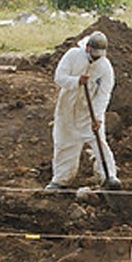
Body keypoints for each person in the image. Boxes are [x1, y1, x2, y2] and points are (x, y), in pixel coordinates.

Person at [47, 31, 120, 190]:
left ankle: (108, 176)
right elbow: (59, 77)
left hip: (90, 112)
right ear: (87, 48)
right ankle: (61, 179)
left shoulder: (105, 67)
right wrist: (77, 81)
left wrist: (98, 118)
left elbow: (103, 94)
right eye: (93, 55)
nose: (95, 59)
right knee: (65, 143)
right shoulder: (73, 55)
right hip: (67, 108)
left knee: (99, 142)